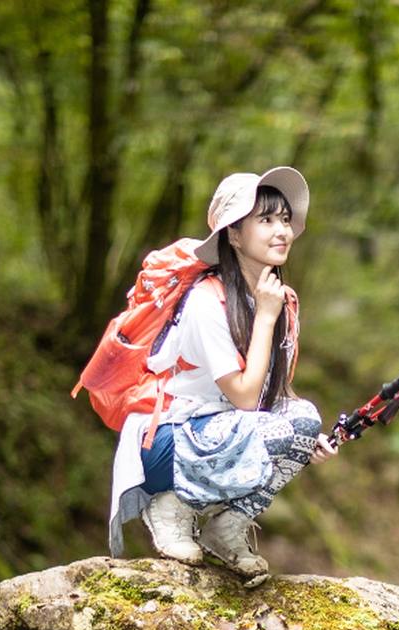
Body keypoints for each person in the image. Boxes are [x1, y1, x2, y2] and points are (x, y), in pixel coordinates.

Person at [106, 166, 335, 586]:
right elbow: (247, 400)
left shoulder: (276, 299)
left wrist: (305, 439)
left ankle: (225, 527)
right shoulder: (205, 302)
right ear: (233, 234)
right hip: (165, 443)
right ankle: (170, 505)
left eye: (284, 219)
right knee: (283, 426)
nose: (281, 230)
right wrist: (266, 319)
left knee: (303, 419)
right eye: (265, 220)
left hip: (218, 430)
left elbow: (271, 395)